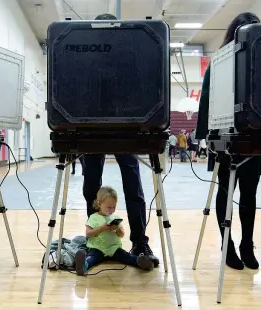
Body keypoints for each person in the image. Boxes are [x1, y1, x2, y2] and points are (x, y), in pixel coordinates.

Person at [81, 13, 159, 267]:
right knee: (91, 185)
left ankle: (139, 241)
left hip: (126, 127)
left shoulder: (128, 57)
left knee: (133, 185)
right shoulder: (87, 59)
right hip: (93, 129)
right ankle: (96, 240)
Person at [195, 12, 261, 270]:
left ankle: (247, 245)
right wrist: (207, 139)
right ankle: (227, 246)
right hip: (225, 138)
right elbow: (206, 99)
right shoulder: (220, 61)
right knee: (225, 193)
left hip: (256, 137)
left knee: (250, 194)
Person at [75, 186, 154, 275]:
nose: (112, 210)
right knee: (92, 258)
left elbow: (121, 235)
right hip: (97, 247)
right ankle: (83, 266)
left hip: (114, 248)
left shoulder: (115, 218)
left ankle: (140, 261)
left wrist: (118, 229)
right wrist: (101, 229)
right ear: (99, 203)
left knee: (126, 256)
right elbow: (88, 234)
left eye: (114, 206)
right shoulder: (93, 218)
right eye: (109, 207)